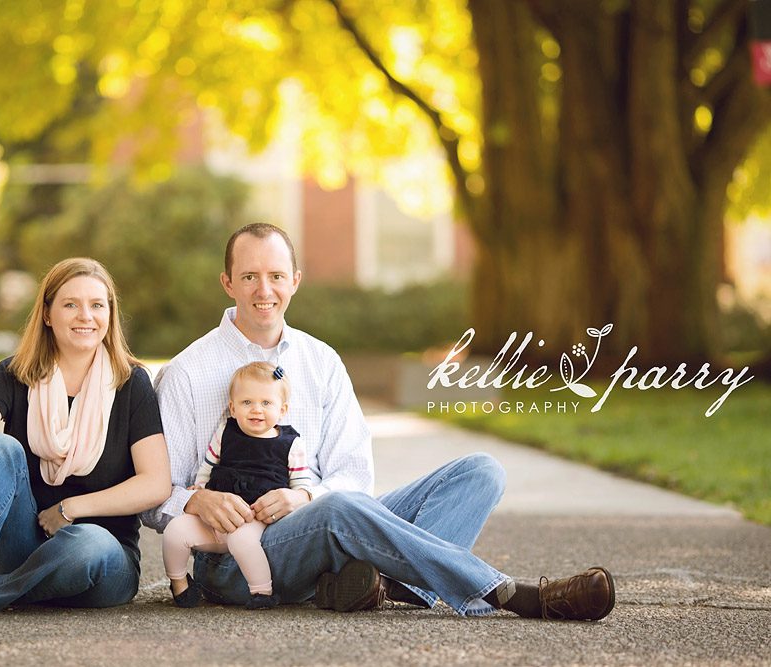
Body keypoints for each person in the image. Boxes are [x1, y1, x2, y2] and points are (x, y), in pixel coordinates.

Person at [141, 223, 615, 621]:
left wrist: (303, 495)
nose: (264, 291)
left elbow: (354, 474)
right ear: (227, 282)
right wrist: (199, 500)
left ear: (296, 280)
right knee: (341, 508)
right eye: (249, 276)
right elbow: (154, 495)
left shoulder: (321, 362)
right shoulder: (187, 372)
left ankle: (381, 585)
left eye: (276, 276)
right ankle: (511, 594)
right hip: (233, 557)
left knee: (480, 472)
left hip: (318, 520)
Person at [0, 257, 171, 624]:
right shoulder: (14, 373)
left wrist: (71, 509)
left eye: (97, 305)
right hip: (22, 543)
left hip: (102, 559)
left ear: (109, 315)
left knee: (88, 543)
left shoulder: (131, 383)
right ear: (48, 314)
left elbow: (155, 483)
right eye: (71, 304)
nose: (86, 316)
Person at [161, 362, 311, 610]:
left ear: (282, 409)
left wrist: (297, 498)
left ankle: (262, 592)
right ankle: (180, 586)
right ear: (232, 407)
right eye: (246, 402)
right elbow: (208, 467)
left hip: (255, 518)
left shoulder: (291, 444)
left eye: (266, 403)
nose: (256, 410)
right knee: (175, 531)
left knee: (241, 541)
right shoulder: (225, 432)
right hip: (215, 520)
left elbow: (301, 485)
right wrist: (199, 488)